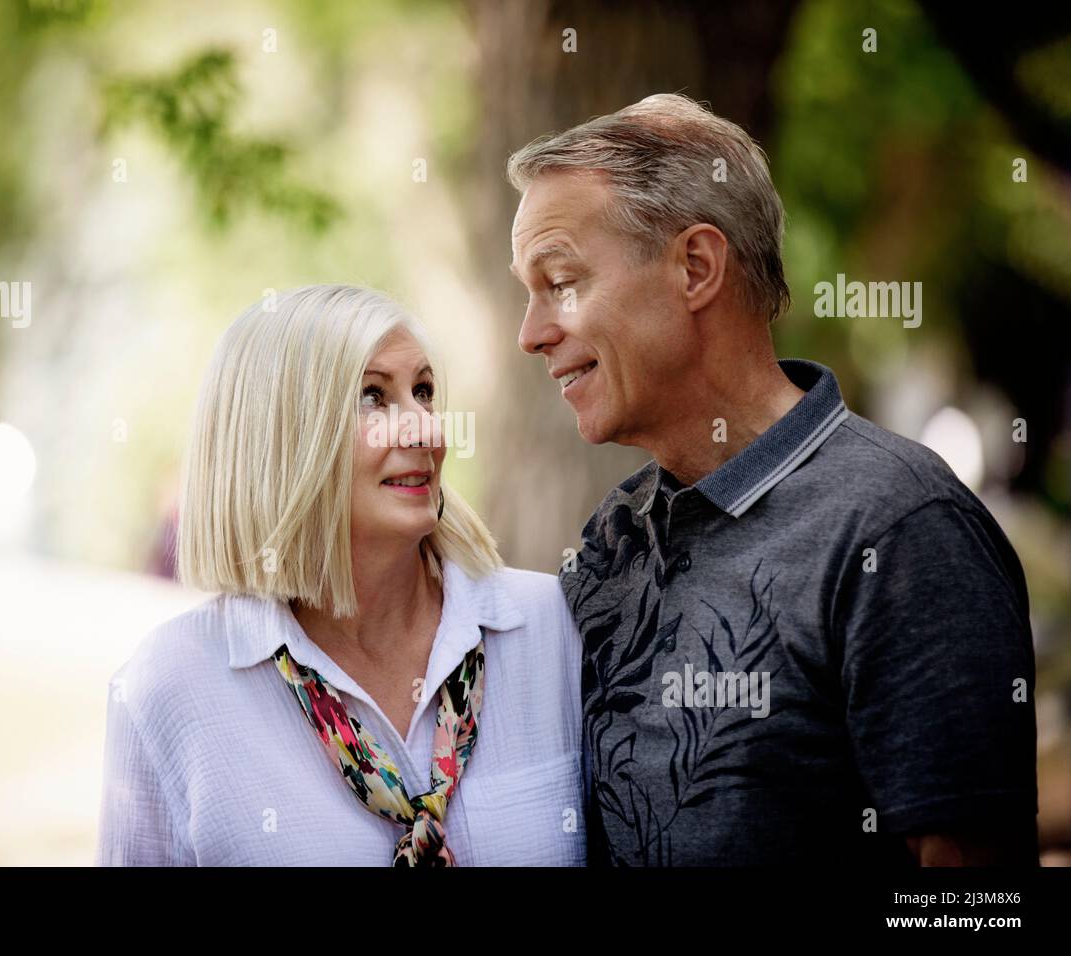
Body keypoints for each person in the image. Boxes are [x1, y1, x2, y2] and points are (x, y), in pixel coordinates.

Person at [506, 94, 1038, 866]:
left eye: (560, 281)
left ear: (695, 268)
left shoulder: (900, 530)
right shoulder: (611, 540)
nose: (531, 334)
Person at [97, 284, 585, 866]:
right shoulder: (168, 688)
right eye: (373, 398)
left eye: (423, 391)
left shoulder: (554, 626)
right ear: (281, 440)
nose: (425, 431)